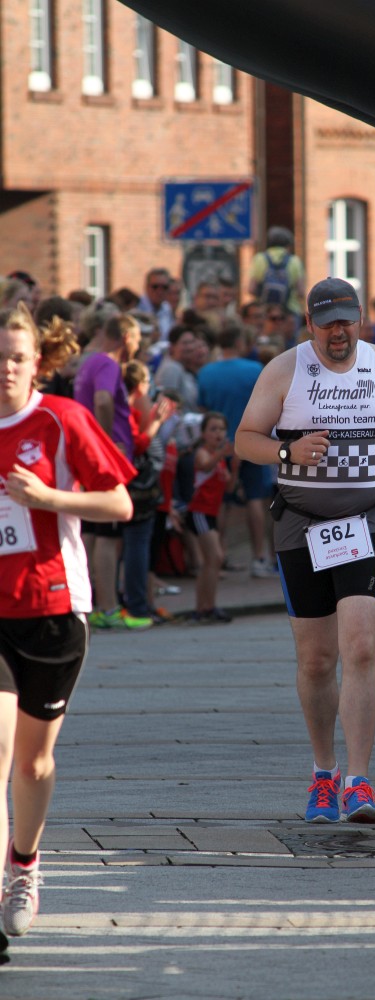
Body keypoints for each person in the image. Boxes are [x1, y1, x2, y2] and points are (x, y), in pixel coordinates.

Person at [235, 277, 375, 824]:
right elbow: (244, 439)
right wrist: (286, 450)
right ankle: (324, 772)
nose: (338, 332)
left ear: (360, 319)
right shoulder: (285, 369)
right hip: (301, 524)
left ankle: (358, 781)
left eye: (346, 321)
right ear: (310, 324)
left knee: (361, 647)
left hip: (368, 520)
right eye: (327, 324)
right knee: (317, 659)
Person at [0, 302, 135, 943]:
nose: (6, 368)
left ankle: (24, 864)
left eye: (16, 358)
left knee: (32, 764)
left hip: (52, 610)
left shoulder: (61, 419)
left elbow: (119, 503)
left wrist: (49, 498)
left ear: (38, 362)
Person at [74, 314, 153, 630]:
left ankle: (91, 605)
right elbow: (103, 400)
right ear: (126, 336)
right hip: (104, 461)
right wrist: (104, 445)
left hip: (88, 456)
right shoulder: (107, 364)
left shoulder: (89, 363)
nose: (138, 346)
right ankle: (108, 608)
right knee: (107, 535)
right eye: (137, 339)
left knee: (92, 534)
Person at [197, 326, 276, 578]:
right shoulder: (254, 369)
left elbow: (202, 410)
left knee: (222, 503)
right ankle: (259, 558)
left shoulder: (206, 372)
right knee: (255, 499)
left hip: (220, 445)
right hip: (251, 441)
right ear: (239, 341)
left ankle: (219, 555)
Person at [184, 412, 234, 623]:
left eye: (221, 429)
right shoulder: (203, 453)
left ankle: (205, 607)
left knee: (211, 561)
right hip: (199, 511)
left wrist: (235, 465)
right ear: (203, 433)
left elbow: (230, 487)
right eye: (213, 429)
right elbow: (204, 465)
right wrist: (223, 453)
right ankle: (205, 607)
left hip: (210, 513)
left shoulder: (219, 459)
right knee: (215, 557)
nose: (218, 433)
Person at [247, 226, 305, 323]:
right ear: (288, 245)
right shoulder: (294, 261)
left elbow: (251, 289)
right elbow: (301, 292)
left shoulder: (259, 258)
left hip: (265, 313)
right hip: (289, 313)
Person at [137, 268, 174, 343]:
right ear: (146, 287)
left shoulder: (167, 308)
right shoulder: (137, 307)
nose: (159, 291)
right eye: (155, 287)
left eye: (164, 287)